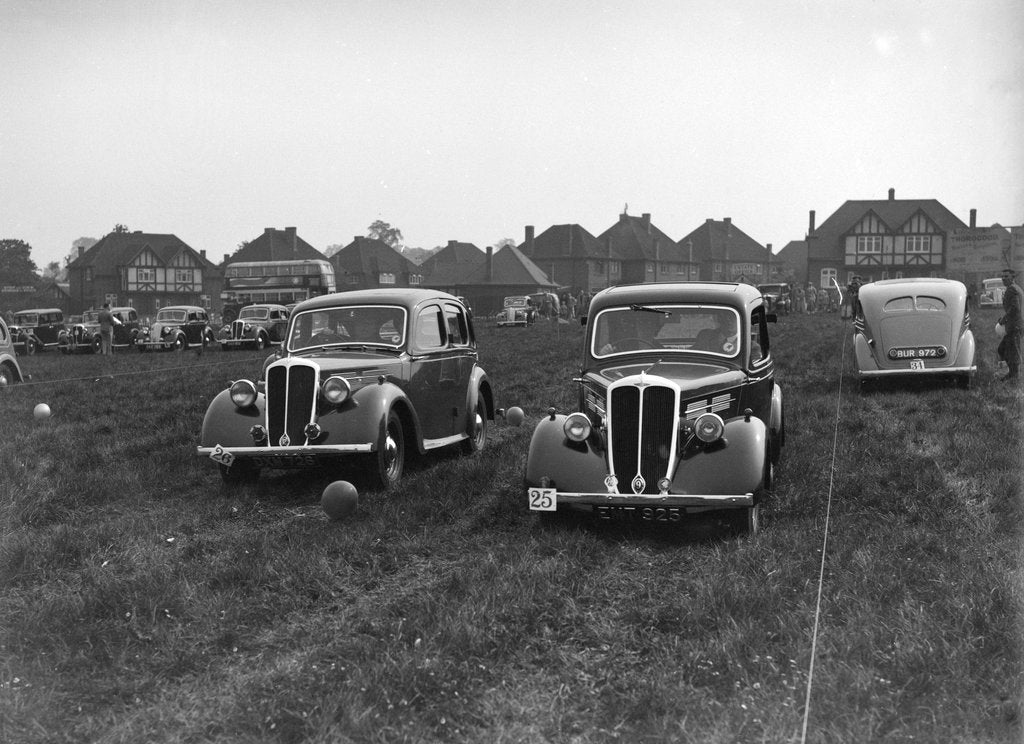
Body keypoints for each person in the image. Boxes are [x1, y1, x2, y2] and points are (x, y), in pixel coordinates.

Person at [997, 268, 1022, 382]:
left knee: (1013, 349)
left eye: (1006, 276)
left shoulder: (1012, 289)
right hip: (1015, 324)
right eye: (1002, 276)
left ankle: (1014, 376)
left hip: (1015, 325)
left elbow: (1015, 308)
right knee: (1003, 349)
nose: (1003, 278)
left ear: (1013, 277)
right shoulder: (1016, 288)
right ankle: (1011, 374)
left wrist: (1004, 319)